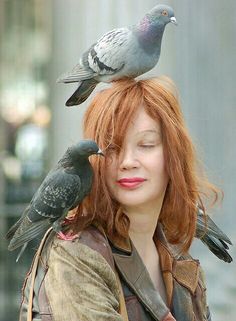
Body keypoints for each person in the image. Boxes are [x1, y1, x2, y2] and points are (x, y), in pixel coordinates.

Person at [19, 77, 218, 321]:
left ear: (173, 155)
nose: (127, 162)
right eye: (112, 148)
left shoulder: (183, 263)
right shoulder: (77, 256)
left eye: (146, 144)